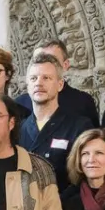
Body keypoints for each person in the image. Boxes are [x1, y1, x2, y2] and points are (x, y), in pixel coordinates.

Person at [20, 53, 94, 191]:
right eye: (33, 78)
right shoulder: (18, 129)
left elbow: (84, 179)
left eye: (46, 78)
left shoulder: (79, 127)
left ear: (60, 85)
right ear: (28, 86)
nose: (39, 83)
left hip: (63, 207)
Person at [14, 39, 102, 127]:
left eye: (52, 60)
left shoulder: (82, 102)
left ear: (66, 65)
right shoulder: (20, 104)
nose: (44, 65)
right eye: (38, 60)